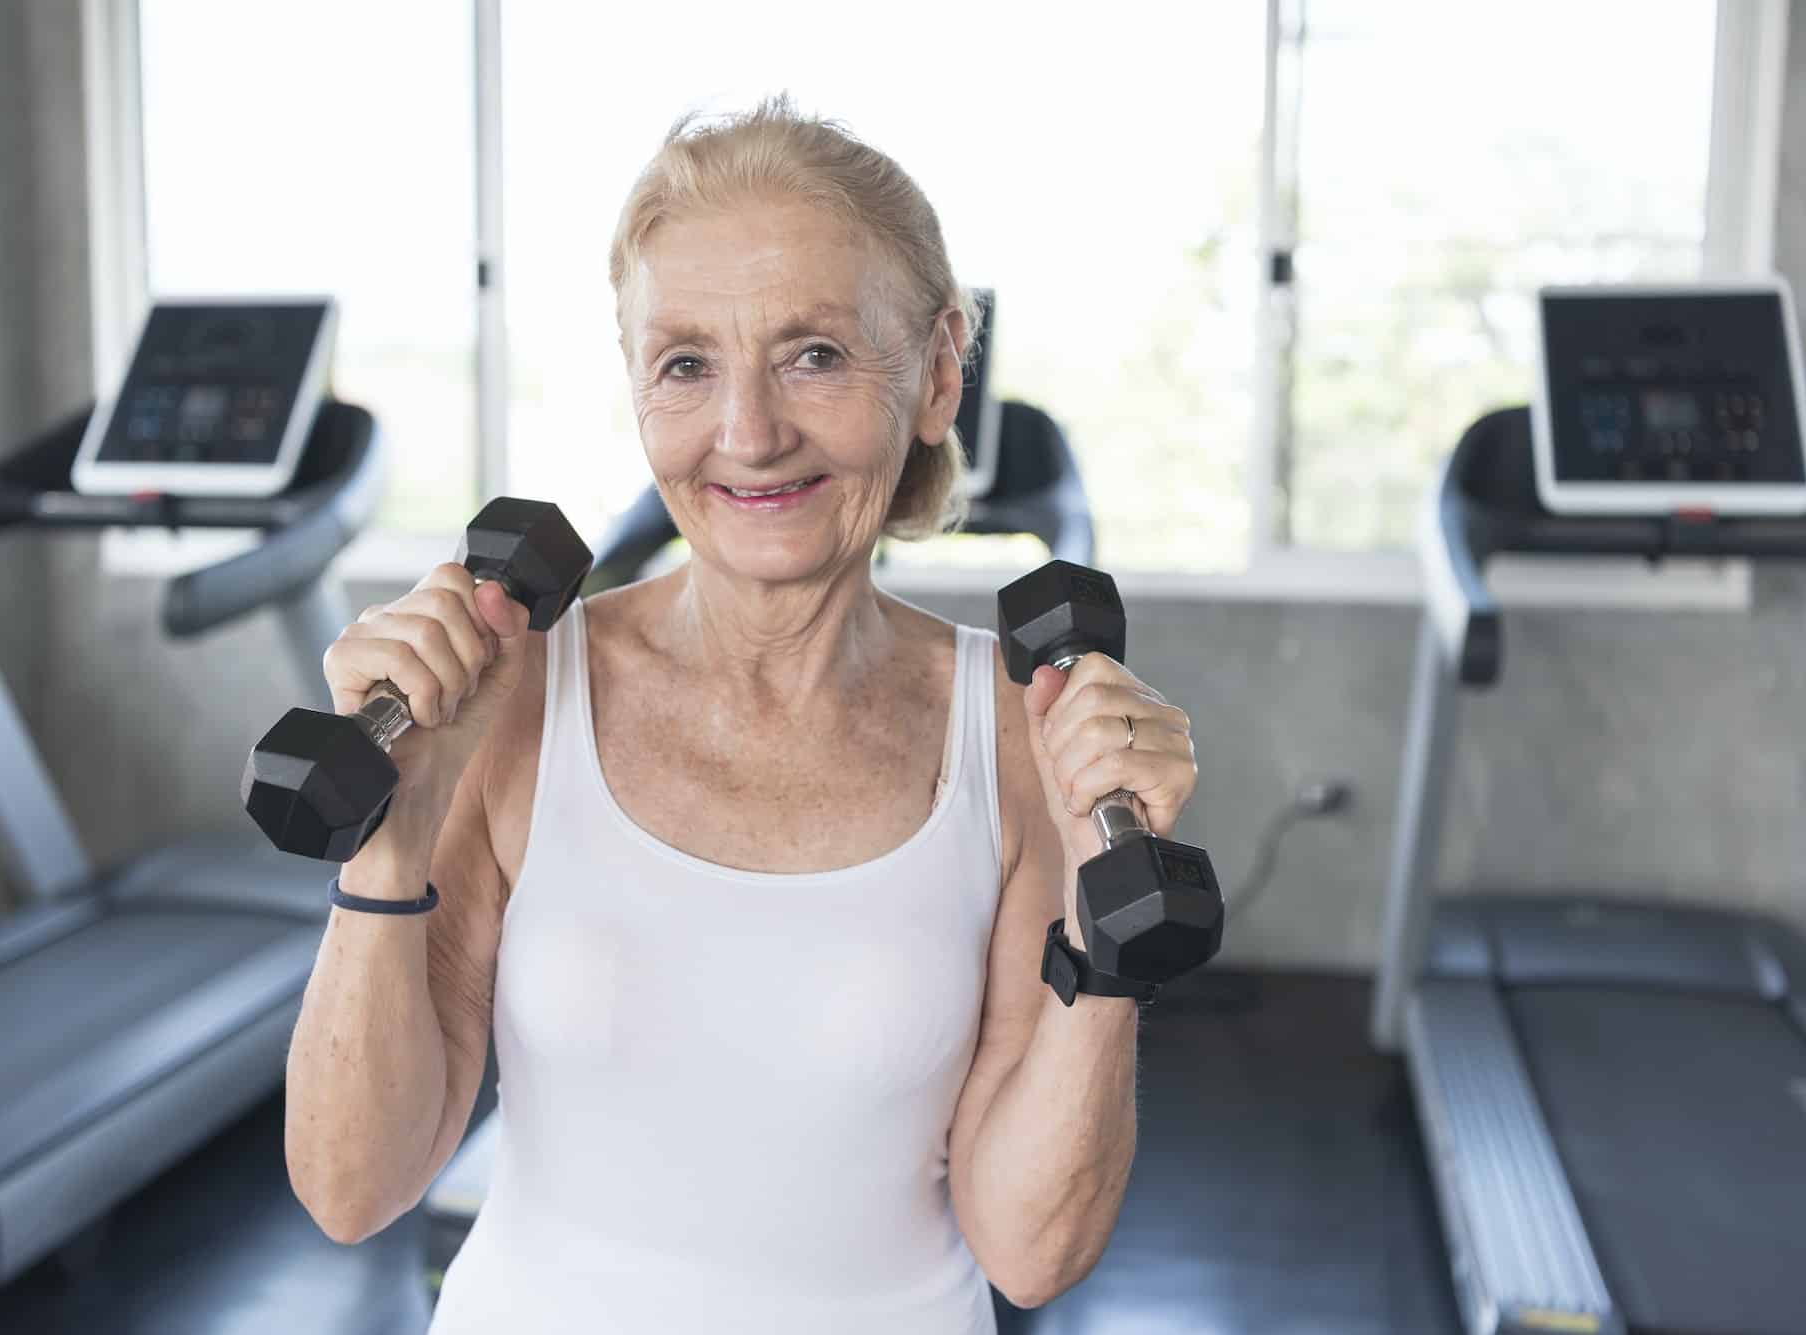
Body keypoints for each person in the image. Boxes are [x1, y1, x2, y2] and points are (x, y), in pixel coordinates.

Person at [283, 98, 1199, 1335]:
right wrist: (393, 841)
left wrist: (1104, 923)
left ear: (935, 373)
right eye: (686, 364)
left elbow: (1030, 1252)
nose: (748, 434)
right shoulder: (518, 698)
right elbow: (351, 1191)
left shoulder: (1024, 735)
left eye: (814, 353)